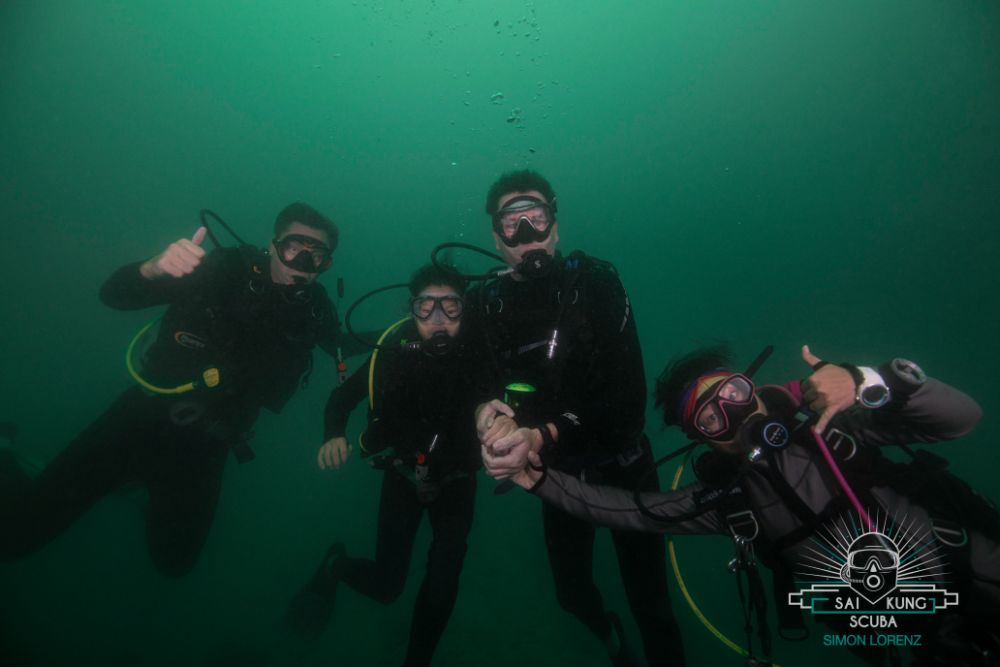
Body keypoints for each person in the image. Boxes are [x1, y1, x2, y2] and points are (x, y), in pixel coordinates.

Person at [499, 344, 999, 666]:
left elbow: (962, 418)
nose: (734, 414)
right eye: (712, 418)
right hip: (915, 643)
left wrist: (870, 379)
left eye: (735, 393)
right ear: (705, 441)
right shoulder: (729, 502)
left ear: (754, 387)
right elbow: (626, 510)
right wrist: (532, 476)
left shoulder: (838, 428)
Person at [0, 202, 351, 577]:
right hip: (141, 420)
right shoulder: (224, 270)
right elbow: (113, 295)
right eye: (295, 247)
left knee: (175, 563)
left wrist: (400, 337)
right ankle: (6, 453)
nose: (304, 261)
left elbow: (345, 345)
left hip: (209, 445)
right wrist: (152, 269)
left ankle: (139, 487)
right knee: (14, 538)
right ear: (274, 244)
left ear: (326, 263)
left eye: (317, 254)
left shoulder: (315, 310)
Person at [473, 170, 684, 666]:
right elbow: (472, 377)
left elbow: (627, 398)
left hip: (625, 467)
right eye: (512, 224)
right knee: (570, 594)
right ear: (496, 237)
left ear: (556, 225)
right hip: (560, 476)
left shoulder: (596, 283)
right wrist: (483, 410)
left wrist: (543, 432)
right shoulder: (487, 303)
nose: (527, 234)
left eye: (536, 218)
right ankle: (610, 639)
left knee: (651, 603)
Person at [286, 264, 485, 667]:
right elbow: (341, 400)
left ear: (466, 309)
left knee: (444, 580)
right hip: (402, 477)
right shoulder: (393, 354)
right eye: (425, 307)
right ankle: (336, 567)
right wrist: (333, 434)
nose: (438, 318)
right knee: (387, 587)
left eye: (450, 306)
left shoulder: (483, 355)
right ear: (411, 310)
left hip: (458, 482)